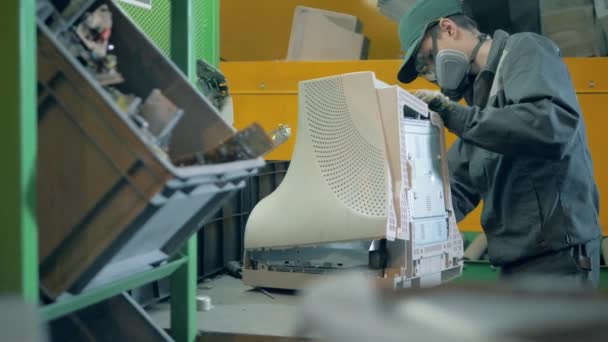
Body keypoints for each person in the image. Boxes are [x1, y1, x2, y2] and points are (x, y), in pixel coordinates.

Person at [397, 0, 602, 287]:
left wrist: (454, 114)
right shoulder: (480, 105)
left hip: (559, 260)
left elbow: (549, 125)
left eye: (429, 58)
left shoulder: (524, 51)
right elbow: (456, 186)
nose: (432, 73)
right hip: (514, 264)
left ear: (448, 28)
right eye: (424, 69)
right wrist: (403, 222)